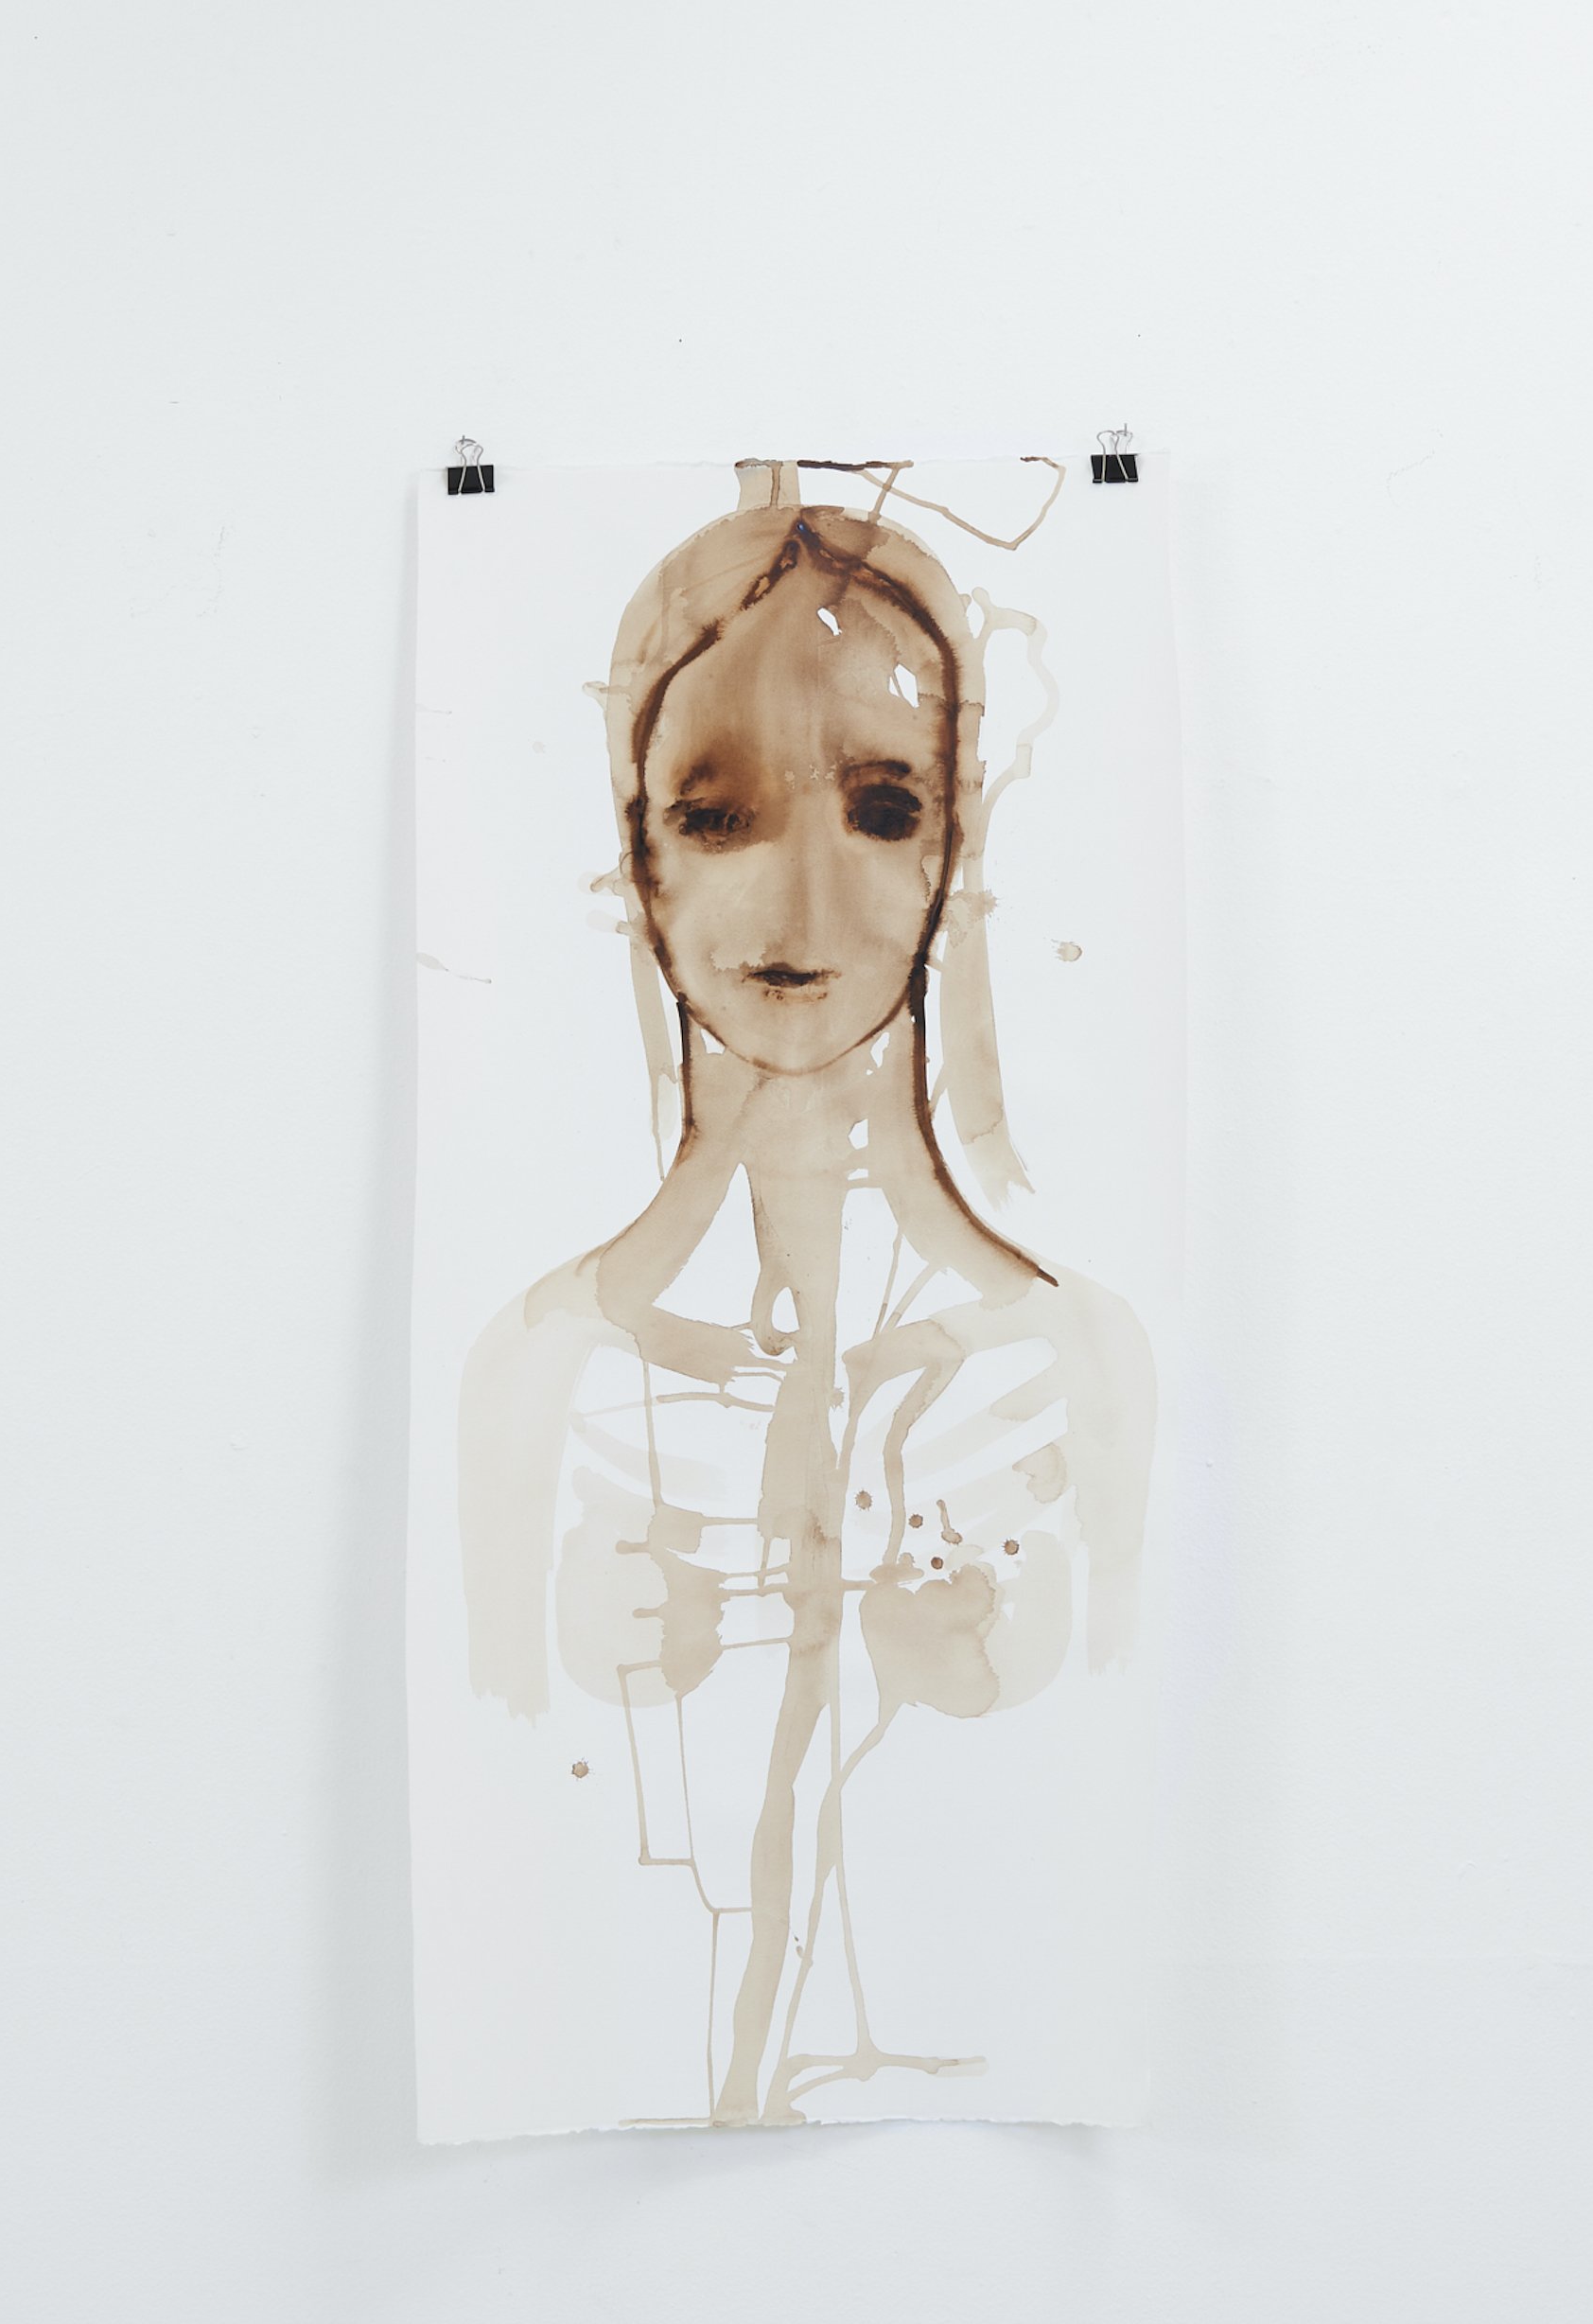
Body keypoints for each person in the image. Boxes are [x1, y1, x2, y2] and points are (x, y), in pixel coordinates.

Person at [462, 464, 1151, 2124]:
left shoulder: (1075, 1359)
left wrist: (1005, 1656)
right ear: (637, 859)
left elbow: (1109, 1793)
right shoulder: (542, 1371)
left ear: (958, 843)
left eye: (885, 808)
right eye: (719, 815)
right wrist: (576, 1655)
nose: (805, 902)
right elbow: (497, 1790)